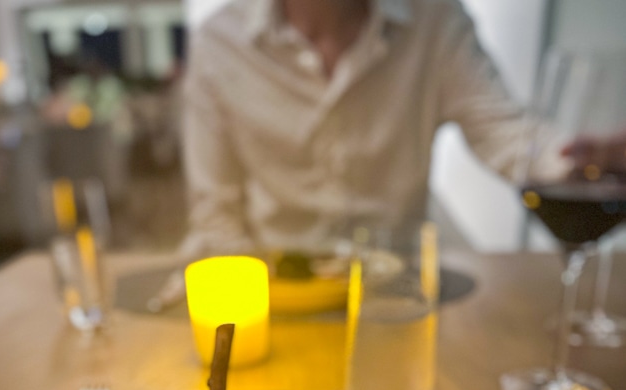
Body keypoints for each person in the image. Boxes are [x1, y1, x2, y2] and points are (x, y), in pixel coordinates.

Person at [151, 0, 528, 308]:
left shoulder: (436, 19)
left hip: (397, 298)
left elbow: (505, 133)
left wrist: (568, 161)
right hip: (276, 297)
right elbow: (215, 210)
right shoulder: (219, 40)